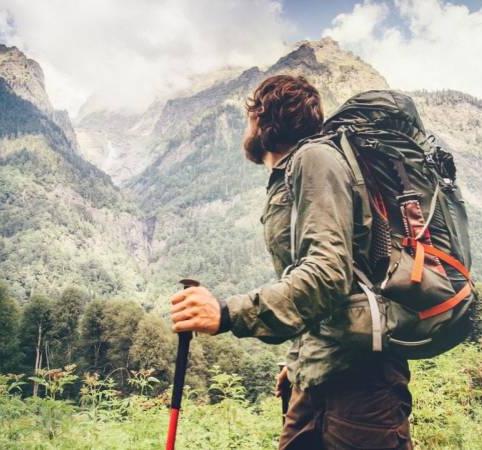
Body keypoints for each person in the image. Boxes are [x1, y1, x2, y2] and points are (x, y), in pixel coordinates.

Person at [169, 74, 413, 449]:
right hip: (317, 375)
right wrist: (298, 359)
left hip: (363, 386)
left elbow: (328, 273)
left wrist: (227, 313)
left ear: (265, 119)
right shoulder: (292, 174)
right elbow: (317, 275)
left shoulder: (315, 159)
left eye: (250, 116)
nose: (246, 128)